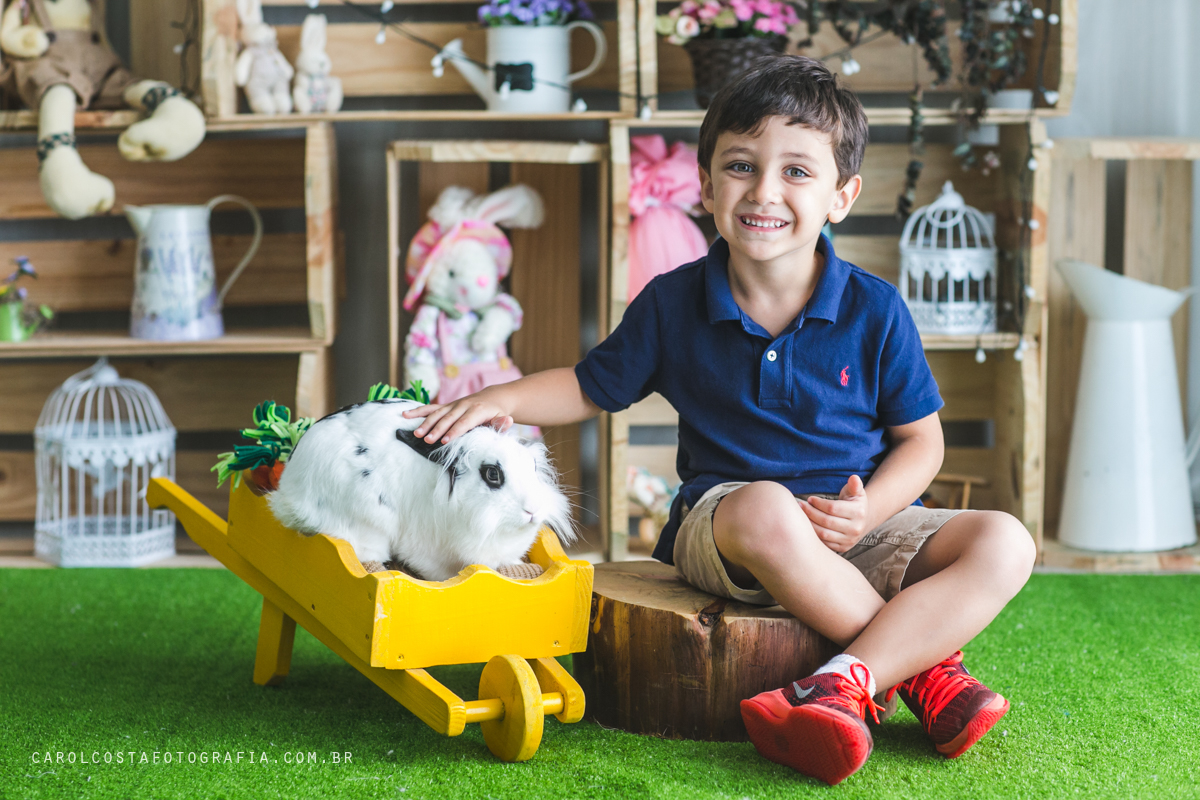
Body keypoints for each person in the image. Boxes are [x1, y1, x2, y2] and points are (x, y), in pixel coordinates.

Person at [403, 55, 1037, 786]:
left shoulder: (875, 309)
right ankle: (926, 674)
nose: (764, 190)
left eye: (798, 171)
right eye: (741, 165)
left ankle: (843, 683)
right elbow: (589, 387)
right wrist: (501, 398)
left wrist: (871, 513)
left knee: (1006, 540)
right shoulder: (672, 302)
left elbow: (922, 442)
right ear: (705, 186)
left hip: (858, 527)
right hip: (732, 528)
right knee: (767, 506)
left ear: (843, 195)